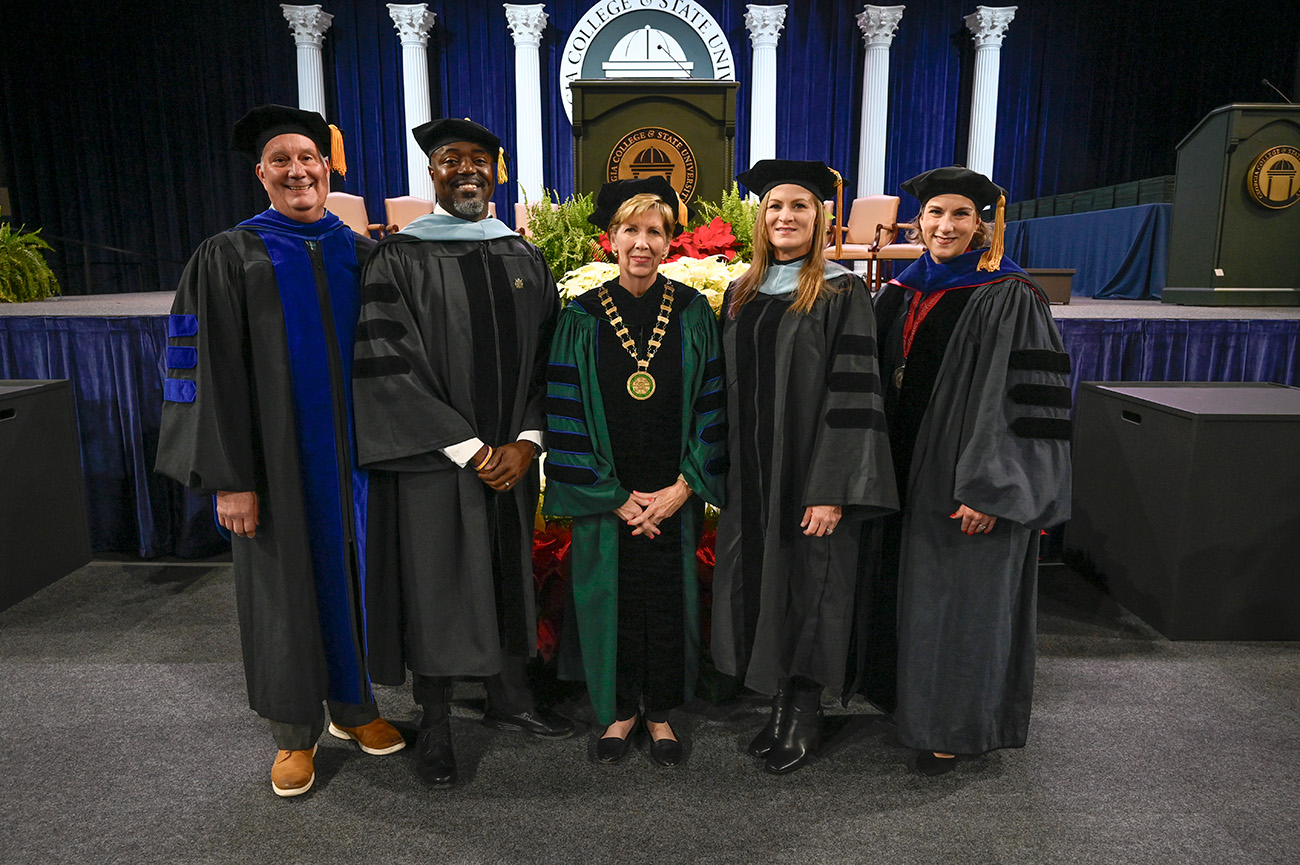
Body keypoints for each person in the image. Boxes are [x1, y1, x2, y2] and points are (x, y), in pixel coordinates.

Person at [155, 104, 405, 798]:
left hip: (355, 462)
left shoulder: (361, 250)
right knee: (282, 590)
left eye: (309, 158)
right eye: (282, 161)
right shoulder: (229, 254)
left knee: (355, 578)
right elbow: (199, 370)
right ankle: (294, 732)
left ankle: (356, 709)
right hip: (272, 464)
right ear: (262, 173)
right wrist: (228, 478)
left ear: (328, 167)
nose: (299, 170)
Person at [351, 118, 569, 789]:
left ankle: (509, 695)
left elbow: (552, 360)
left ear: (497, 172)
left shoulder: (524, 255)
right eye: (451, 160)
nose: (466, 170)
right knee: (436, 580)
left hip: (513, 457)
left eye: (480, 159)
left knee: (507, 567)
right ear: (433, 173)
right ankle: (438, 717)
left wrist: (529, 441)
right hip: (436, 460)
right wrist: (472, 448)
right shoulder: (400, 257)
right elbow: (389, 364)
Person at [872, 166, 1072, 776]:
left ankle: (954, 727)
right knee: (916, 595)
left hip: (966, 482)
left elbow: (1023, 403)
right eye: (935, 214)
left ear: (984, 223)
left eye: (961, 214)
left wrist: (992, 489)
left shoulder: (1009, 294)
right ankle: (912, 705)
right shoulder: (902, 291)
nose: (946, 226)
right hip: (906, 472)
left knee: (962, 601)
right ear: (918, 221)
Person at [710, 159, 897, 775]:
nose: (785, 217)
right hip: (756, 476)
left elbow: (856, 394)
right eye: (774, 207)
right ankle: (780, 706)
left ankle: (805, 713)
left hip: (811, 476)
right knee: (768, 583)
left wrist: (833, 488)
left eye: (800, 207)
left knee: (813, 585)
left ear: (820, 218)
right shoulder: (741, 291)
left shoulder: (843, 291)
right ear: (760, 219)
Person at [542, 178, 726, 767]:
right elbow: (564, 412)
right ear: (611, 239)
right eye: (631, 230)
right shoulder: (582, 317)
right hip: (610, 493)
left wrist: (682, 488)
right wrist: (615, 497)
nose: (642, 242)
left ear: (671, 242)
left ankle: (662, 712)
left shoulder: (695, 313)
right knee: (612, 600)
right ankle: (620, 711)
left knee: (666, 598)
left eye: (655, 231)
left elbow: (712, 406)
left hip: (673, 491)